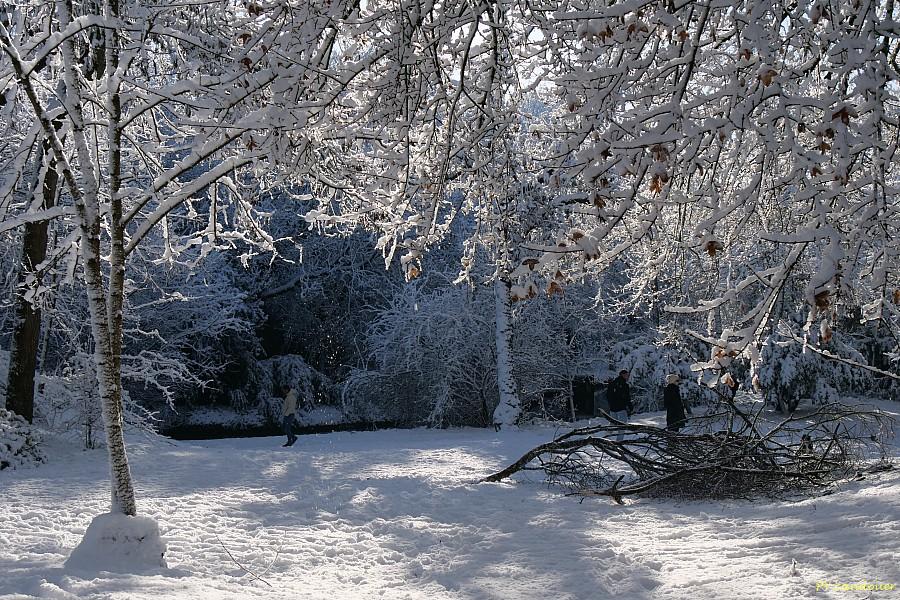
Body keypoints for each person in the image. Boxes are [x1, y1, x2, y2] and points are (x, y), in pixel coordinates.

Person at [606, 369, 633, 440]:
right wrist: (630, 407)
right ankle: (619, 441)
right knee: (622, 425)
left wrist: (611, 404)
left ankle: (606, 438)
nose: (627, 377)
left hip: (613, 408)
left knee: (612, 423)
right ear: (623, 375)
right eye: (627, 375)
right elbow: (627, 397)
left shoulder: (612, 383)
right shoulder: (625, 385)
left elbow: (608, 395)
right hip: (621, 408)